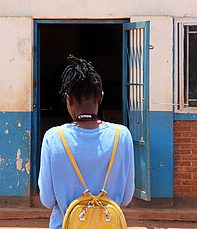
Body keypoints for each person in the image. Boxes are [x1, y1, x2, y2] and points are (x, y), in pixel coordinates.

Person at [38, 55, 135, 229]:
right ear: (100, 98)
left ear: (68, 99)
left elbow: (47, 200)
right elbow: (127, 198)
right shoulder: (122, 135)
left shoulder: (53, 138)